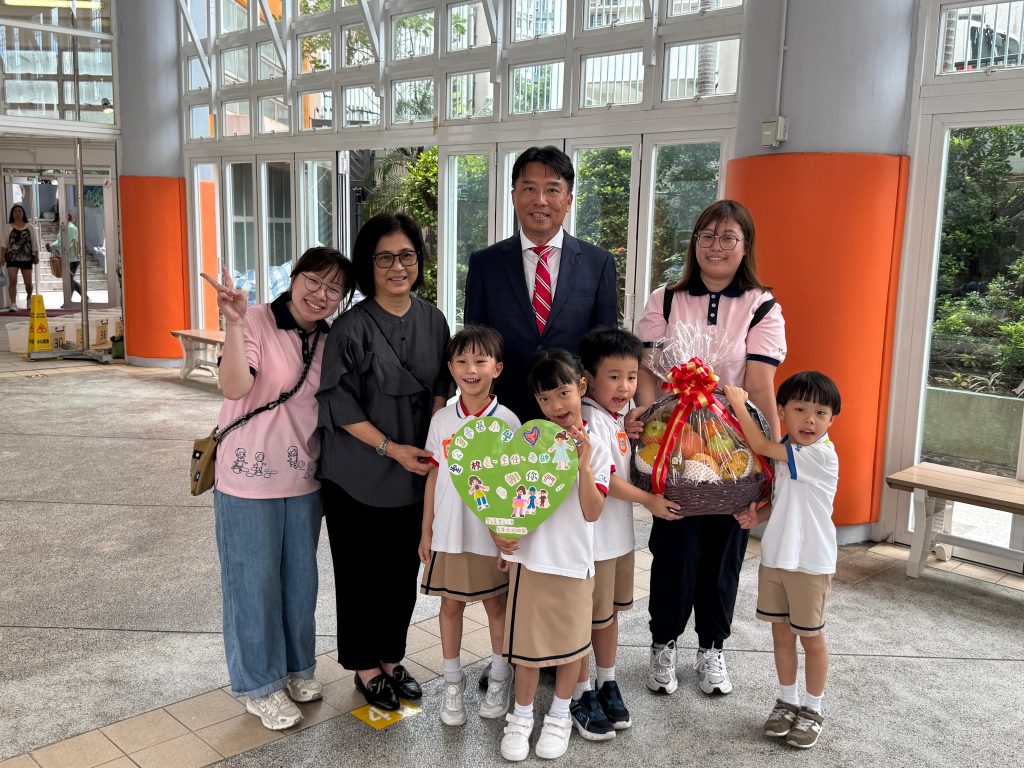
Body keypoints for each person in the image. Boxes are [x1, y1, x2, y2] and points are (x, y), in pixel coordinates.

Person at [628, 199, 787, 698]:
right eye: (707, 236)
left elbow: (759, 387)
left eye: (728, 237)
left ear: (746, 245)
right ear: (694, 243)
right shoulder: (666, 299)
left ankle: (712, 647)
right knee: (673, 548)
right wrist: (647, 424)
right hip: (673, 443)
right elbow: (649, 374)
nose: (716, 246)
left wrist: (772, 460)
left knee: (724, 552)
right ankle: (663, 642)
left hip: (735, 446)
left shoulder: (762, 306)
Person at [202, 247, 355, 731]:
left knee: (299, 583)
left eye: (334, 289)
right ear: (294, 277)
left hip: (303, 479)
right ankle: (259, 685)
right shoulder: (255, 321)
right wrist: (232, 323)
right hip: (247, 481)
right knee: (252, 586)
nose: (321, 294)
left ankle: (295, 668)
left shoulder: (330, 338)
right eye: (314, 280)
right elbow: (233, 387)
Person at [317, 212, 454, 712]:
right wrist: (391, 448)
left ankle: (392, 658)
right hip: (357, 470)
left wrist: (433, 429)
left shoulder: (434, 320)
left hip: (414, 471)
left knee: (401, 572)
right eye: (385, 258)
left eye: (407, 255)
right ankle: (365, 667)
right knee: (359, 574)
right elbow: (339, 403)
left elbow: (442, 383)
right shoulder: (350, 328)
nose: (398, 267)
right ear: (368, 264)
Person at [493, 350, 611, 762]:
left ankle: (560, 716)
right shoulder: (529, 442)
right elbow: (508, 497)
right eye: (545, 398)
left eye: (563, 392)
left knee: (571, 646)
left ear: (582, 386)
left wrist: (582, 466)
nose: (556, 405)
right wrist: (502, 537)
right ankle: (520, 717)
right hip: (531, 560)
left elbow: (592, 511)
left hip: (575, 563)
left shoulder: (597, 448)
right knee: (528, 648)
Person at [571, 327, 681, 741]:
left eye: (632, 377)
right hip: (593, 544)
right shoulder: (586, 419)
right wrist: (649, 500)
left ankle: (607, 681)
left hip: (617, 541)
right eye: (614, 377)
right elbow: (607, 480)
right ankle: (580, 692)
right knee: (586, 619)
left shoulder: (617, 417)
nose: (625, 387)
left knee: (609, 615)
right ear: (587, 379)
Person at [724, 371, 841, 750]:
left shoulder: (819, 455)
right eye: (800, 409)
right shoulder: (789, 449)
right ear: (783, 411)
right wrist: (758, 516)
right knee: (780, 634)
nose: (810, 420)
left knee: (812, 638)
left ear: (832, 420)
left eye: (821, 413)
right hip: (776, 557)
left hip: (810, 562)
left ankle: (813, 709)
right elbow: (784, 499)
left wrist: (739, 404)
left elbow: (759, 443)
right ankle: (787, 702)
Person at [463, 145, 617, 422]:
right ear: (514, 196)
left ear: (568, 201)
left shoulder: (598, 263)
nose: (540, 200)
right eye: (530, 189)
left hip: (574, 414)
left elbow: (605, 352)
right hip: (503, 413)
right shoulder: (485, 263)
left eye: (552, 190)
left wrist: (606, 413)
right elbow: (475, 344)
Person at [418, 325, 520, 726]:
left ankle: (500, 676)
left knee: (496, 605)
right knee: (450, 605)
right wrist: (426, 530)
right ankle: (452, 683)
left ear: (498, 368)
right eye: (461, 361)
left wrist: (509, 536)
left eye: (480, 360)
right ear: (450, 368)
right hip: (448, 532)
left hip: (489, 536)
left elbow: (515, 485)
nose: (471, 369)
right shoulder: (442, 419)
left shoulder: (508, 421)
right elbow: (433, 476)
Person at [3, 204, 38, 311]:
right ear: (12, 214)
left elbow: (34, 243)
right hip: (12, 258)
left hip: (27, 258)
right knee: (12, 281)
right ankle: (13, 304)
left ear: (23, 213)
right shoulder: (7, 227)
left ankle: (29, 299)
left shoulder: (30, 227)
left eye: (19, 211)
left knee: (28, 283)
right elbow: (4, 244)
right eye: (15, 211)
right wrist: (1, 257)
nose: (17, 213)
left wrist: (36, 255)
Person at [47, 212, 83, 306]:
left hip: (72, 258)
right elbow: (60, 241)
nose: (58, 222)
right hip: (69, 257)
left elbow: (66, 243)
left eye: (59, 219)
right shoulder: (66, 227)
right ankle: (76, 298)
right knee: (69, 279)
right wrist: (52, 246)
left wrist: (53, 246)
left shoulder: (70, 228)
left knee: (69, 280)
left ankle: (68, 302)